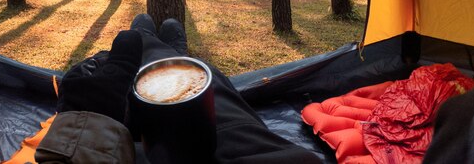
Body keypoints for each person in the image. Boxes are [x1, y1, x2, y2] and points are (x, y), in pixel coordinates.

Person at [35, 14, 321, 163]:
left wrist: (86, 135)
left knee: (136, 46)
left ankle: (152, 41)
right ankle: (174, 52)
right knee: (211, 83)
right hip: (248, 145)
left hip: (147, 148)